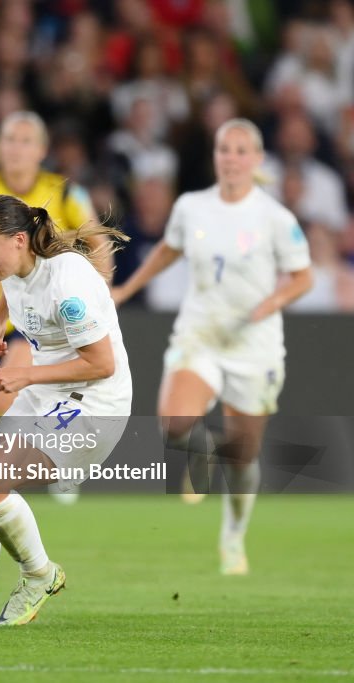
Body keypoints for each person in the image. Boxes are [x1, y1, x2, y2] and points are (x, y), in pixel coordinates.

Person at [112, 119, 313, 575]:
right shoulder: (192, 207)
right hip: (200, 334)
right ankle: (201, 454)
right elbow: (168, 249)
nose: (232, 158)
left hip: (253, 344)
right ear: (216, 156)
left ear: (257, 160)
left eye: (243, 150)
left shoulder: (275, 218)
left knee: (243, 454)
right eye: (225, 149)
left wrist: (273, 302)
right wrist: (127, 289)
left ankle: (234, 535)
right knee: (175, 423)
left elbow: (304, 277)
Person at [0, 194, 130, 627]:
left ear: (19, 239)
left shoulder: (68, 283)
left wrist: (26, 376)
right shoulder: (19, 263)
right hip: (51, 393)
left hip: (94, 402)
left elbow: (102, 363)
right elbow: (13, 286)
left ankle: (40, 575)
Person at [0, 111, 104, 504]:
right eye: (10, 140)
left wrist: (99, 289)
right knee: (28, 395)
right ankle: (47, 463)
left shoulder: (62, 192)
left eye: (26, 141)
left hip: (47, 315)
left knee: (8, 389)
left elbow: (100, 241)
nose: (17, 149)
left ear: (42, 150)